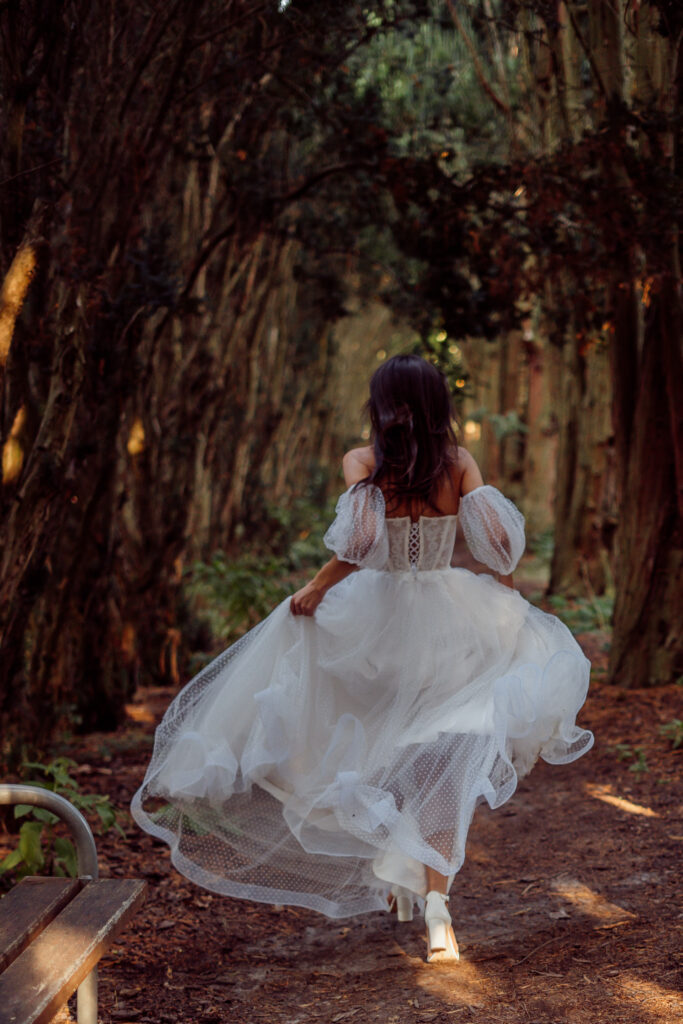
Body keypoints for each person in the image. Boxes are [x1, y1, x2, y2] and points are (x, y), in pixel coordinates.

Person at [131, 353, 593, 963]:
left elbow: (361, 544)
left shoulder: (364, 462)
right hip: (452, 620)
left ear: (382, 405)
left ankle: (404, 874)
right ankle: (435, 906)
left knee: (381, 747)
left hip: (377, 624)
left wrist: (317, 588)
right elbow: (499, 546)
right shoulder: (458, 462)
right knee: (439, 761)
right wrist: (502, 594)